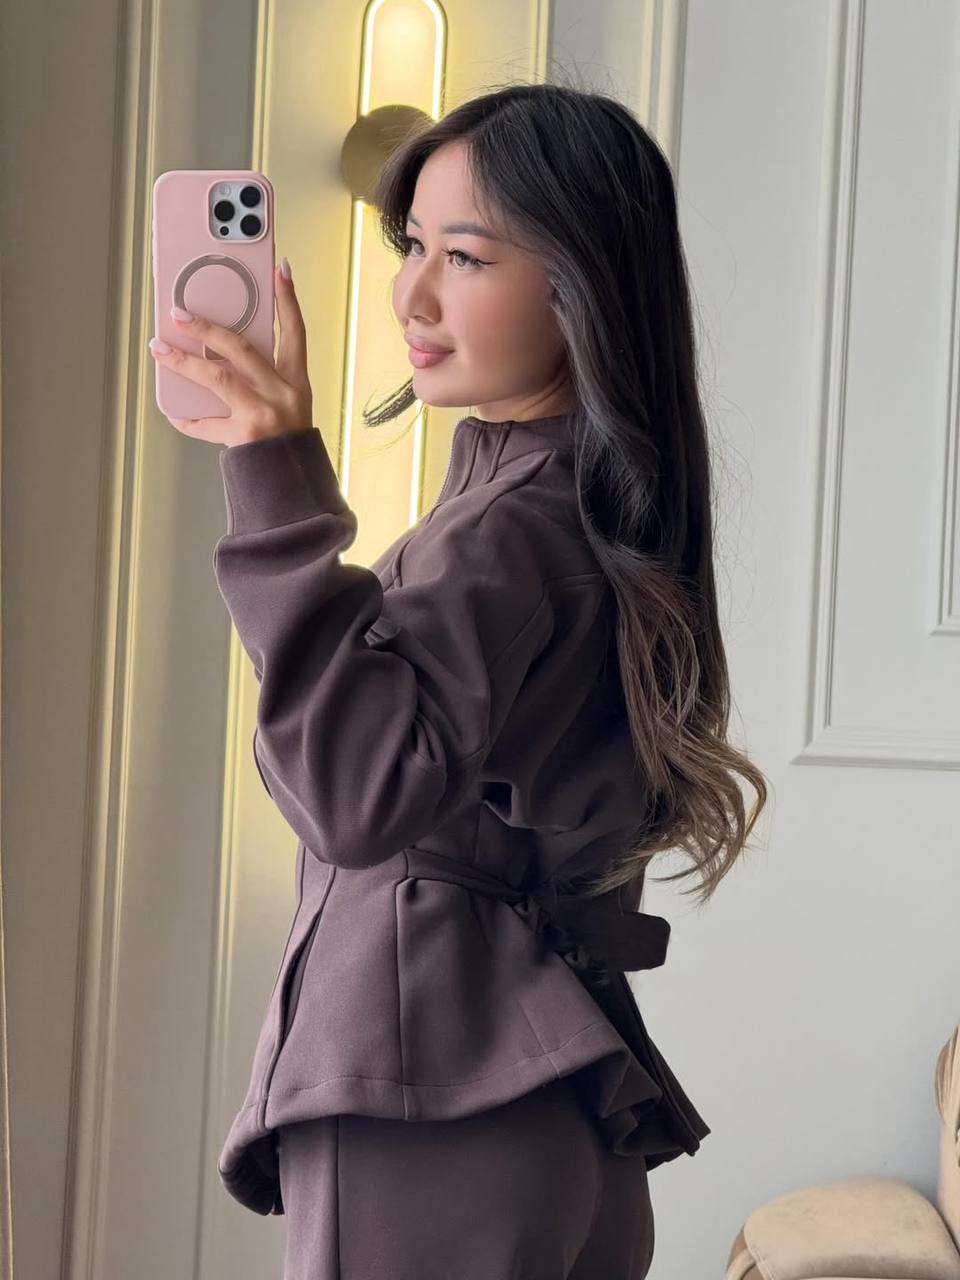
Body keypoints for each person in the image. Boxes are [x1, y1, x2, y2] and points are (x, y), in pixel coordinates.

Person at [151, 78, 768, 1280]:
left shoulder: (513, 531)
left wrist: (273, 474)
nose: (412, 294)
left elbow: (355, 795)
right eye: (412, 245)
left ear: (580, 283)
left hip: (430, 1093)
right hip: (542, 1100)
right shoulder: (582, 510)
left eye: (466, 256)